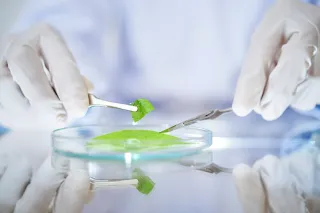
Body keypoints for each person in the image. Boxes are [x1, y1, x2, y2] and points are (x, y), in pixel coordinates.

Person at [1, 0, 320, 212]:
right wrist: (46, 70)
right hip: (123, 134)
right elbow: (66, 17)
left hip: (277, 118)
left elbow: (303, 39)